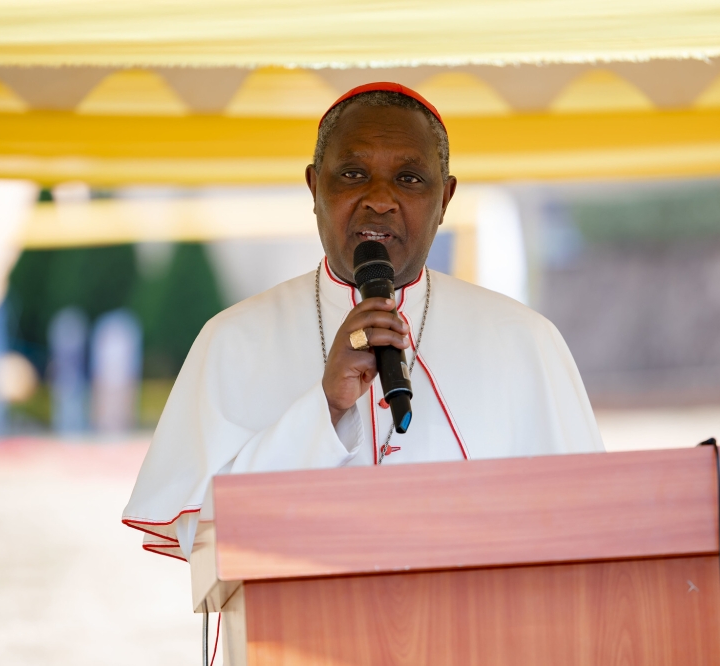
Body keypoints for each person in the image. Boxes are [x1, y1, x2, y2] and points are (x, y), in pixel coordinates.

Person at [122, 82, 604, 561]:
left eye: (410, 179)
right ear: (314, 187)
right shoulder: (232, 341)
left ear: (446, 198)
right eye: (353, 174)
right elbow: (198, 533)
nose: (379, 199)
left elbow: (588, 526)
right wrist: (325, 407)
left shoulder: (525, 343)